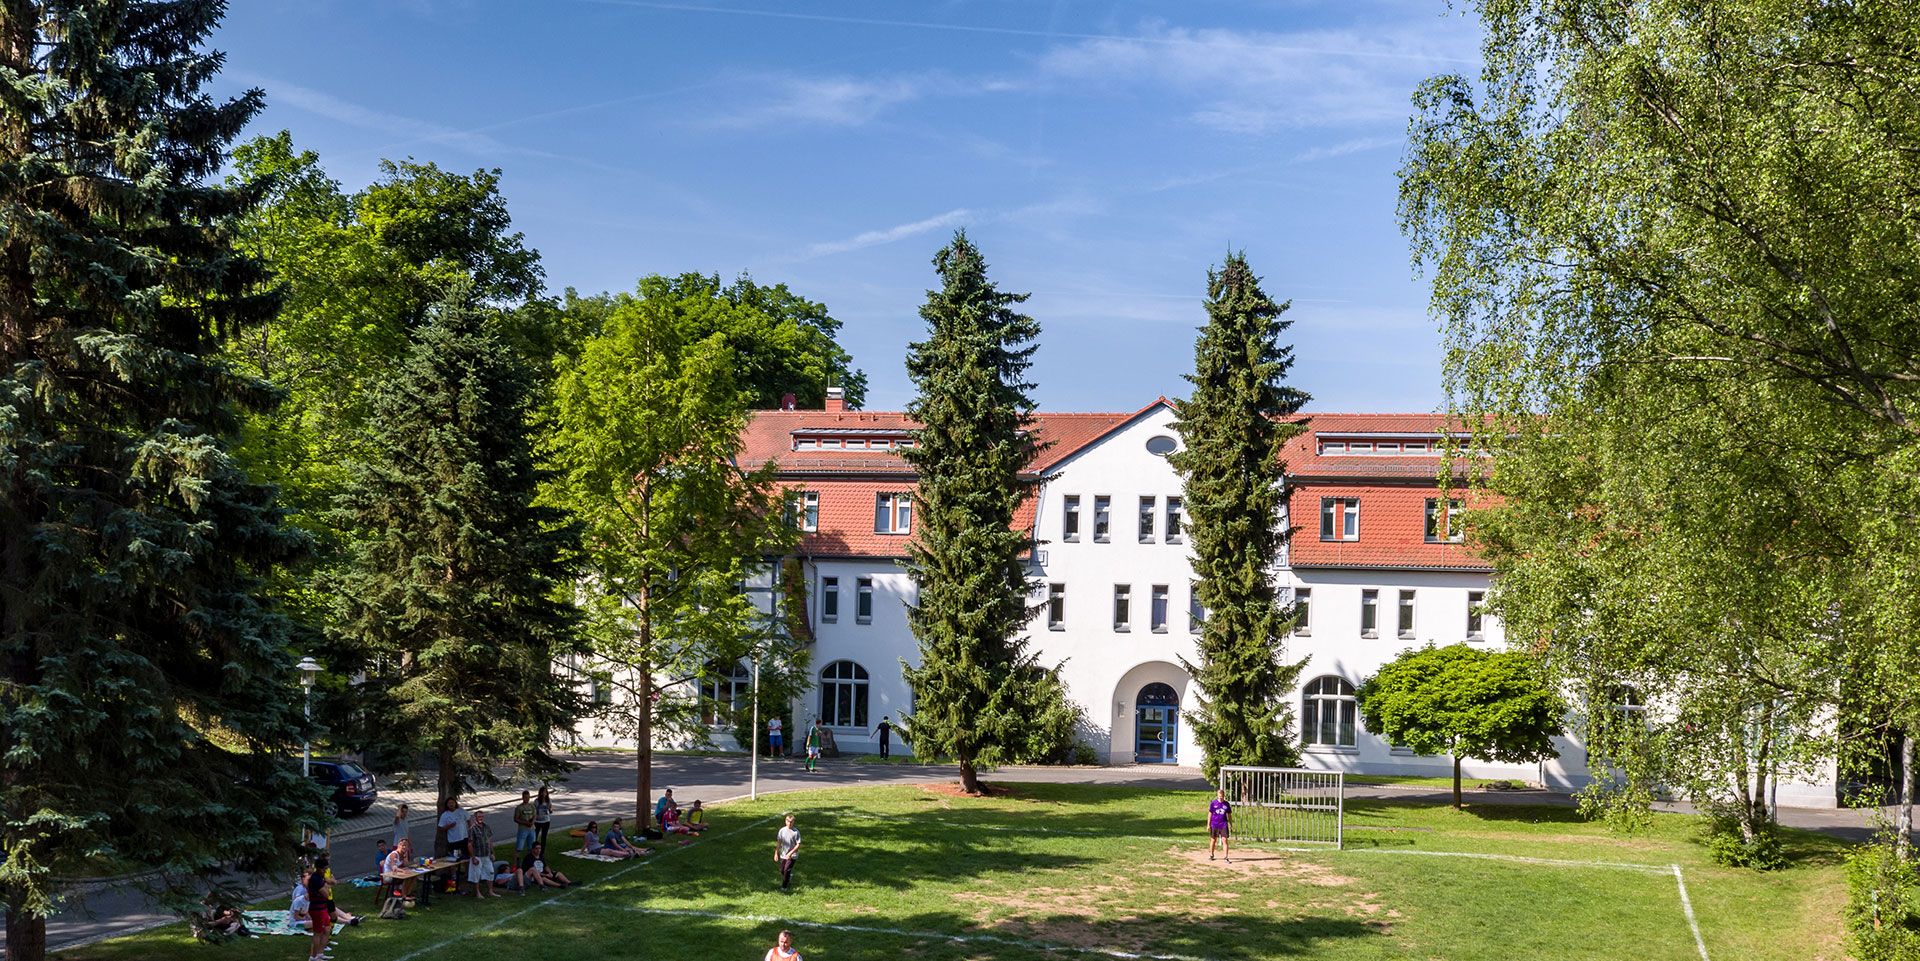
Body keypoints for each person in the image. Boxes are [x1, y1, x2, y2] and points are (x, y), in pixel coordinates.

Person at [305, 854, 335, 961]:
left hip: (322, 907)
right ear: (320, 868)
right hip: (317, 909)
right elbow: (326, 894)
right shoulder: (316, 879)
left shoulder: (320, 877)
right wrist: (327, 885)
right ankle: (313, 956)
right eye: (325, 868)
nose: (326, 870)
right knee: (318, 932)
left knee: (327, 929)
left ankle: (320, 953)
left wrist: (327, 884)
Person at [468, 810, 498, 898]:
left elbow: (489, 841)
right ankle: (477, 893)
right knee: (476, 875)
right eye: (478, 817)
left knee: (490, 872)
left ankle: (490, 891)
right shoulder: (472, 829)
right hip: (477, 855)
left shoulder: (486, 827)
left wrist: (492, 853)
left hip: (486, 855)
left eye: (482, 816)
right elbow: (469, 844)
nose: (480, 818)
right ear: (475, 818)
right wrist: (473, 857)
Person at [773, 813, 801, 891]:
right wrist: (776, 853)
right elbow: (779, 842)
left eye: (791, 821)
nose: (789, 823)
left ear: (793, 822)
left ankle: (784, 887)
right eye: (788, 821)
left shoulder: (796, 832)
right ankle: (789, 877)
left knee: (786, 870)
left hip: (792, 855)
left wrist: (790, 853)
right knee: (782, 870)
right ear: (785, 821)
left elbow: (798, 845)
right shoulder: (782, 830)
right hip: (783, 854)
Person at [438, 797, 470, 863]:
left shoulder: (461, 811)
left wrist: (470, 830)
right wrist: (448, 826)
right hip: (454, 840)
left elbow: (469, 820)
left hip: (464, 838)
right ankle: (454, 872)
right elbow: (440, 828)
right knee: (455, 858)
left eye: (452, 803)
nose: (451, 804)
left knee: (466, 857)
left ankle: (466, 872)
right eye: (449, 803)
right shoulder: (445, 815)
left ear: (455, 803)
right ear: (447, 805)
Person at [1207, 788, 1233, 863]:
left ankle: (1226, 857)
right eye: (1219, 796)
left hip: (1223, 824)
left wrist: (1230, 824)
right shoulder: (1213, 803)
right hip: (1214, 824)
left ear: (1224, 796)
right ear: (1217, 796)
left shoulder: (1226, 804)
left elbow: (1229, 815)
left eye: (1222, 796)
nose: (1220, 798)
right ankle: (1211, 855)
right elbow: (1210, 814)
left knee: (1224, 840)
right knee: (1213, 839)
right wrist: (1208, 825)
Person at [513, 790, 538, 854]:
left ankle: (529, 861)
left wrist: (532, 822)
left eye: (528, 797)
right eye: (525, 797)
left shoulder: (532, 806)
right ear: (522, 797)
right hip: (522, 829)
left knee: (531, 847)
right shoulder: (519, 807)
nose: (527, 799)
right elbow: (515, 819)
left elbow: (535, 815)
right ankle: (517, 862)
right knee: (519, 848)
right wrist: (525, 823)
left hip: (532, 829)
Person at [532, 786, 554, 851]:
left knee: (543, 837)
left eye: (545, 792)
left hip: (546, 821)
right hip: (537, 822)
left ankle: (542, 851)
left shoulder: (549, 800)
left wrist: (550, 810)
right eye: (542, 792)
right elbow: (534, 811)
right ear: (540, 793)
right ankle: (534, 849)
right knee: (535, 836)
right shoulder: (536, 801)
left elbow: (551, 809)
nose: (544, 794)